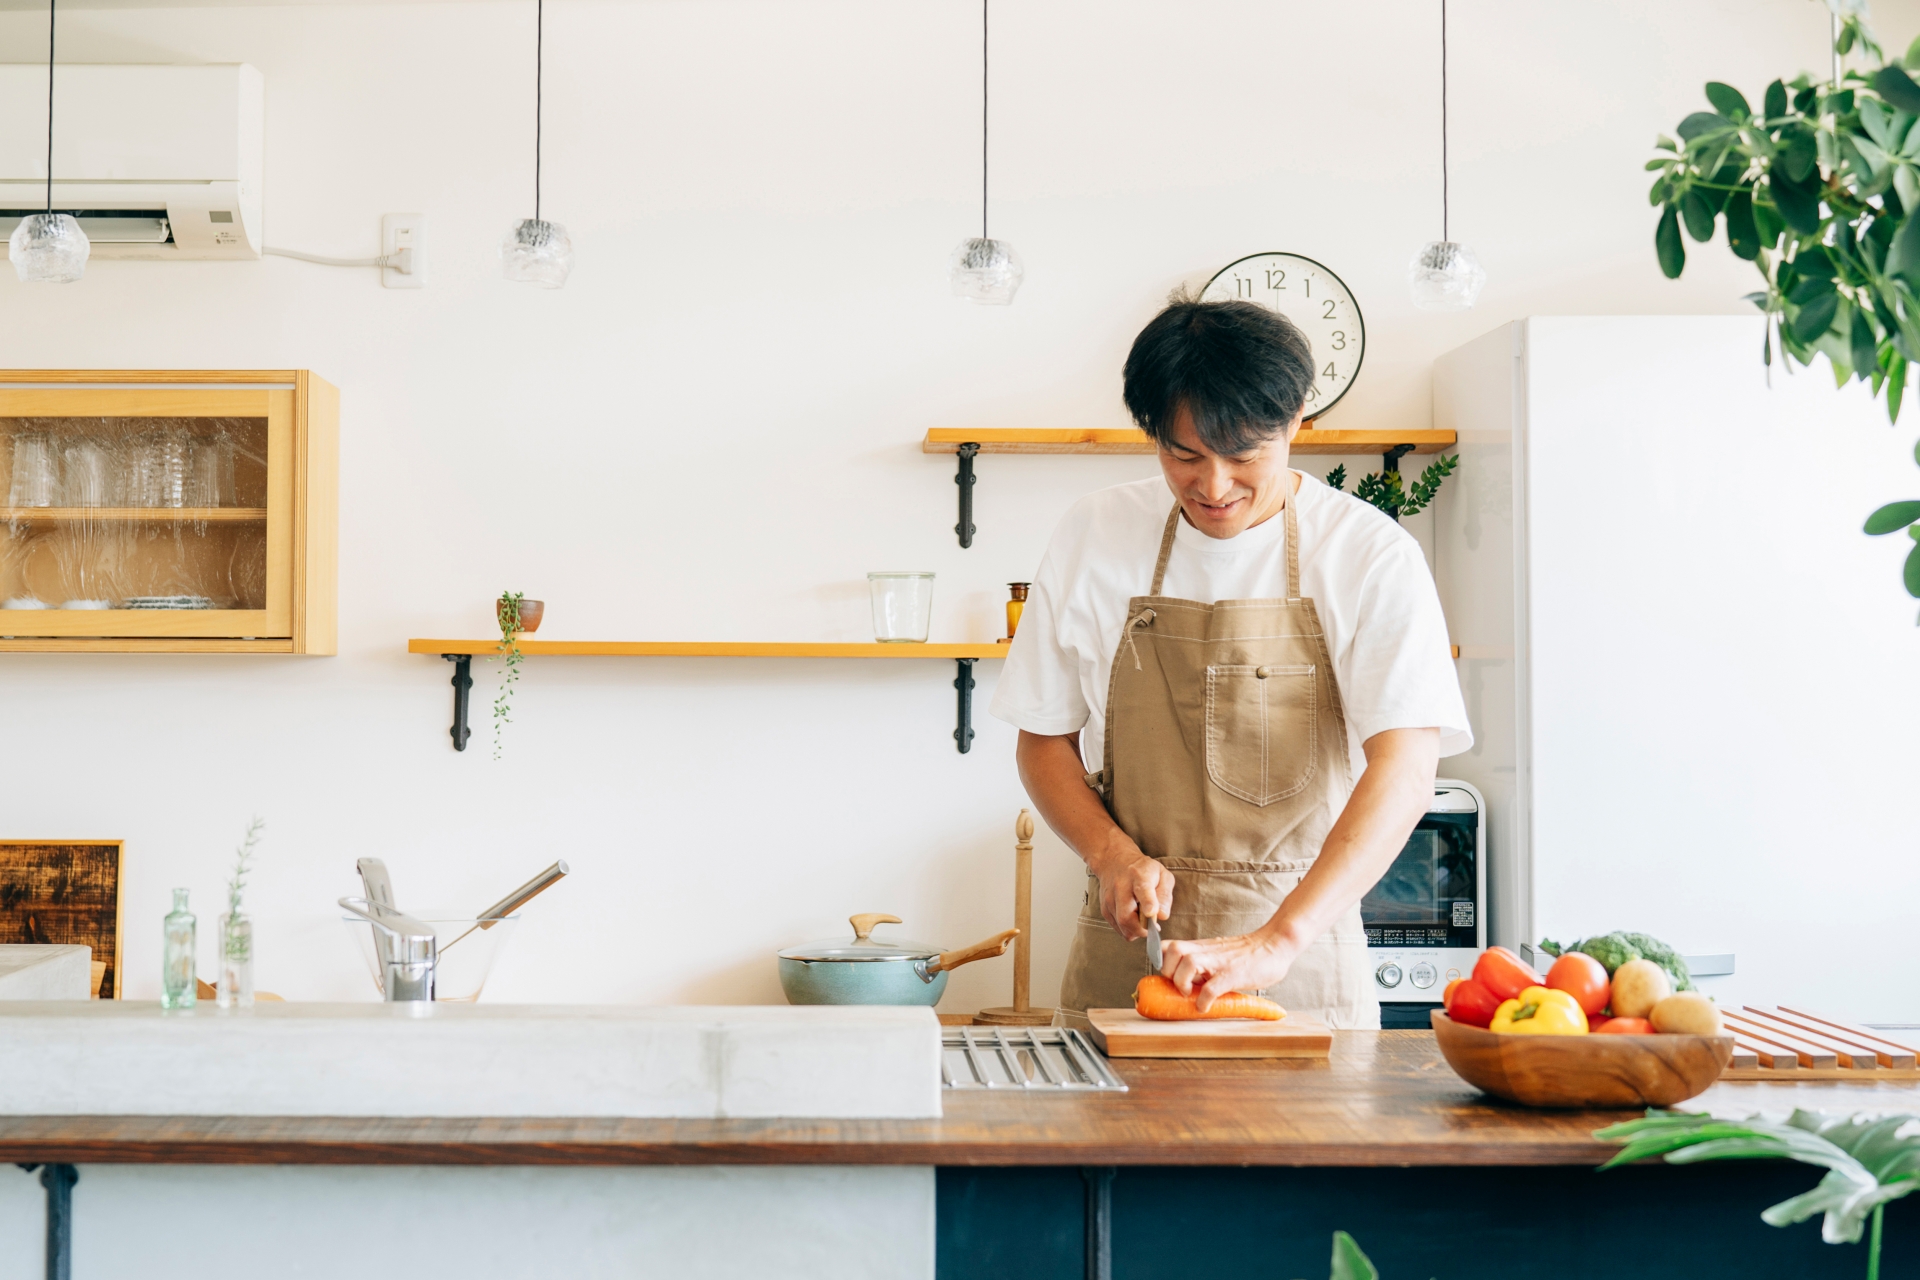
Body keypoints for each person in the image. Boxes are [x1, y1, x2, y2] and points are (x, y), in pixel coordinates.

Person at [988, 295, 1472, 1030]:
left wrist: (1278, 940)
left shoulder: (1370, 556)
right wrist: (1110, 855)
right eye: (1184, 455)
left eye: (1244, 455)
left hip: (1302, 961)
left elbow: (1406, 768)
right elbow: (1042, 739)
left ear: (1298, 419)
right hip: (1130, 953)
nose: (1214, 487)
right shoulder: (1094, 533)